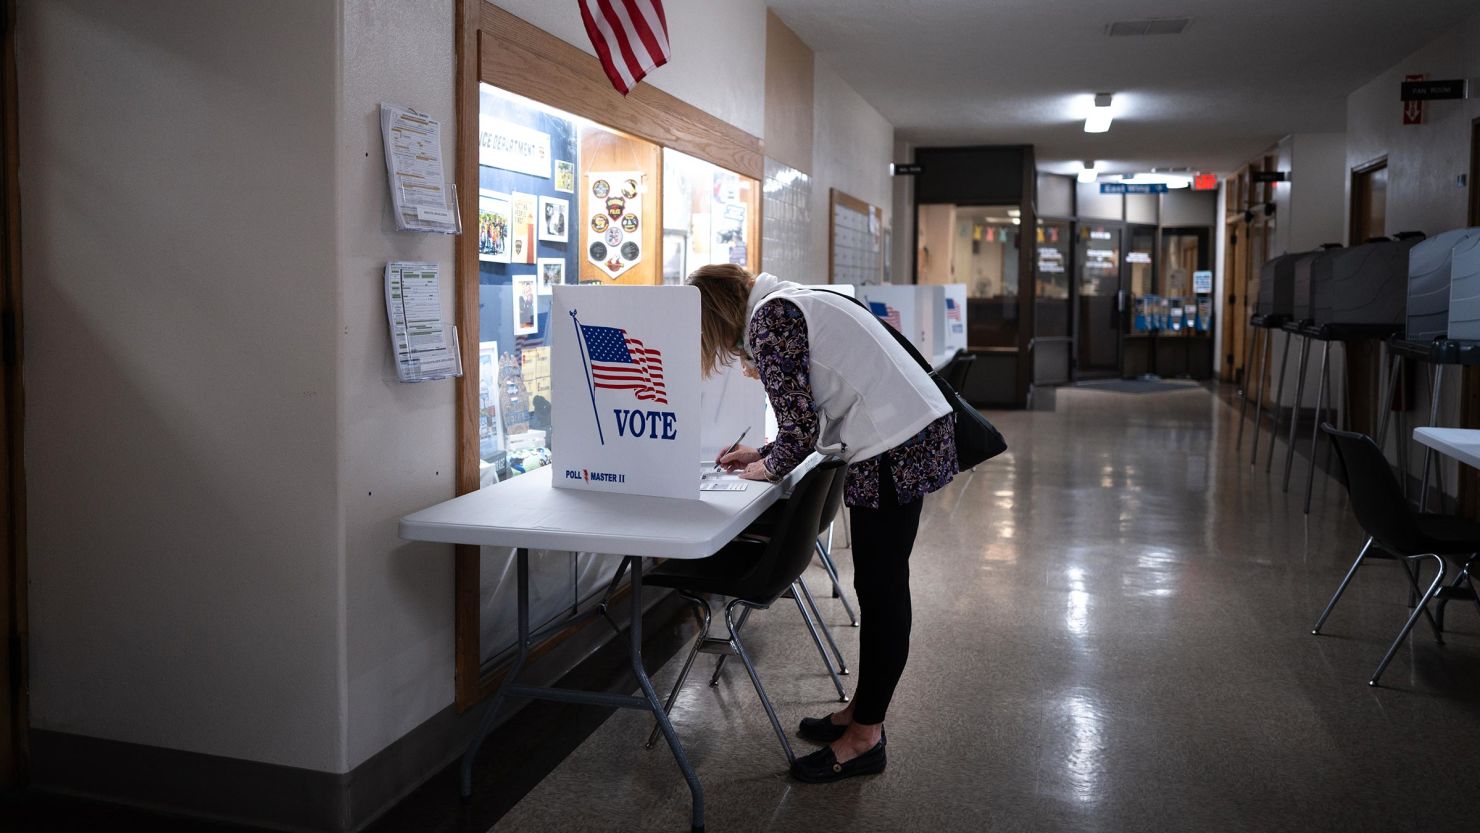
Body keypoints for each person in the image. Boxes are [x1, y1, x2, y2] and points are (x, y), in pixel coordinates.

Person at [688, 264, 956, 783]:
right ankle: (860, 712)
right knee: (880, 585)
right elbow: (802, 423)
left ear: (715, 317)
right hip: (906, 435)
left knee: (881, 591)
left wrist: (764, 465)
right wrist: (761, 453)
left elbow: (800, 431)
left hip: (894, 446)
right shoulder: (788, 302)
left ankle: (865, 738)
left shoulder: (771, 322)